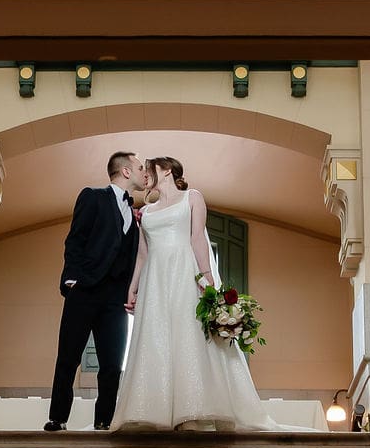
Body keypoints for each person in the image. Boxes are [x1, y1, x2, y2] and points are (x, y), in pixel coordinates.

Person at [112, 155, 281, 432]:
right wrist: (133, 287)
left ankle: (190, 411)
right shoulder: (147, 210)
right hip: (155, 280)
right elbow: (142, 254)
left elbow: (198, 238)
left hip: (183, 274)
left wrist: (209, 279)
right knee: (155, 338)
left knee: (186, 335)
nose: (144, 176)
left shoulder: (192, 197)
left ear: (166, 171)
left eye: (149, 170)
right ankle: (152, 410)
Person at [45, 150, 151, 431]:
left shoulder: (135, 212)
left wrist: (131, 291)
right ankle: (57, 418)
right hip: (85, 290)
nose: (144, 172)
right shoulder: (93, 196)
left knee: (113, 364)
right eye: (140, 167)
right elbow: (75, 240)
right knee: (69, 357)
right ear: (126, 171)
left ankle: (104, 421)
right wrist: (71, 280)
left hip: (115, 299)